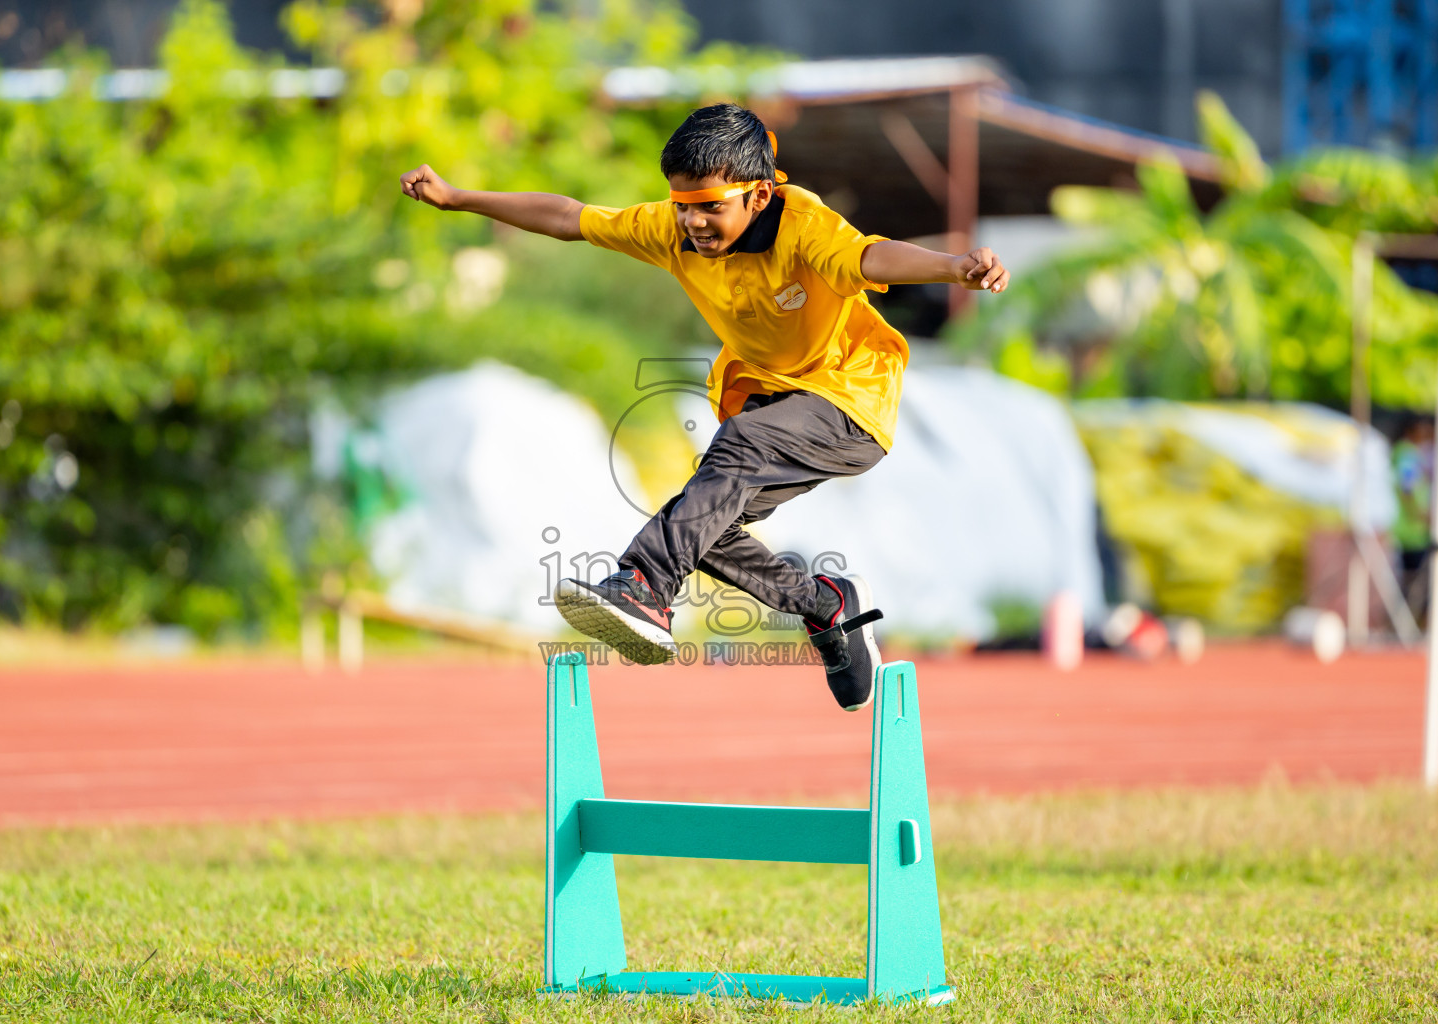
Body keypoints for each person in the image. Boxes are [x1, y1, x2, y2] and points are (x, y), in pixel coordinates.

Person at [400, 103, 1008, 711]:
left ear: (760, 196)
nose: (693, 222)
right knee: (708, 528)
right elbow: (568, 216)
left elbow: (870, 256)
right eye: (683, 205)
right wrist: (458, 198)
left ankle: (644, 585)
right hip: (772, 396)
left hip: (852, 400)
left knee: (739, 451)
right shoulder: (671, 227)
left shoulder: (806, 226)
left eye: (711, 206)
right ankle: (828, 608)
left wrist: (953, 269)